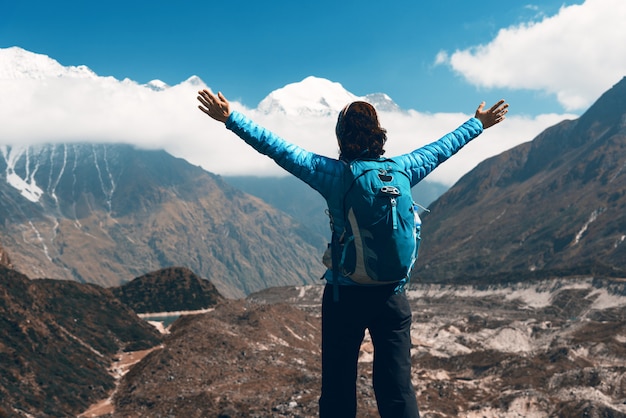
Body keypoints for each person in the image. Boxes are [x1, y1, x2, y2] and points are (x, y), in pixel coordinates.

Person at [197, 89, 508, 418]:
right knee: (397, 388)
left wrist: (231, 119)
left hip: (345, 297)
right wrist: (478, 124)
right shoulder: (403, 169)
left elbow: (278, 149)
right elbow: (441, 149)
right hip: (393, 295)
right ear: (378, 134)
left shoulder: (334, 175)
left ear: (342, 136)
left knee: (338, 387)